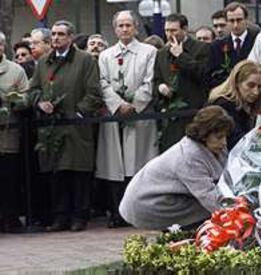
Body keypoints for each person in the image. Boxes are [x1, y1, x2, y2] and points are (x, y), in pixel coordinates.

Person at [30, 20, 103, 232]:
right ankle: (60, 217)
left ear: (70, 37)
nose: (55, 38)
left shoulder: (85, 60)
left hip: (76, 127)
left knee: (78, 172)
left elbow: (94, 92)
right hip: (52, 128)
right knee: (57, 173)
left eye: (60, 34)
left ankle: (80, 216)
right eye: (53, 34)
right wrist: (40, 102)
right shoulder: (44, 62)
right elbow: (33, 89)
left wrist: (79, 112)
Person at [119, 105, 234, 230]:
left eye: (225, 136)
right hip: (147, 203)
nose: (224, 142)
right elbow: (210, 198)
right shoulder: (190, 155)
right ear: (204, 135)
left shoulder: (216, 147)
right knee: (208, 209)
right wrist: (241, 214)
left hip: (168, 196)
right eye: (219, 137)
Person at [95, 10, 158, 228]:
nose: (124, 29)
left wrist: (135, 104)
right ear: (115, 29)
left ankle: (139, 213)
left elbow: (150, 81)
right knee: (116, 167)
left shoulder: (149, 52)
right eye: (120, 26)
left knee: (138, 164)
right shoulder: (106, 55)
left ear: (136, 27)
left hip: (139, 116)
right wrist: (117, 104)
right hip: (115, 115)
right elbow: (102, 83)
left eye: (128, 25)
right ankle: (117, 212)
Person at [154, 13, 210, 151]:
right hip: (171, 114)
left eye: (173, 30)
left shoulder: (202, 48)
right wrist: (160, 87)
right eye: (167, 30)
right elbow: (157, 78)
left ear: (184, 29)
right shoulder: (161, 53)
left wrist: (181, 56)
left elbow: (202, 74)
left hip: (193, 112)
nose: (169, 34)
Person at [0, 31, 29, 233]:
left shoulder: (16, 70)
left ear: (3, 47)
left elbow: (27, 98)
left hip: (8, 135)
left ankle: (10, 218)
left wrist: (12, 100)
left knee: (9, 180)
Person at [209, 60, 261, 150]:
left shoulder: (246, 104)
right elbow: (237, 141)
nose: (256, 92)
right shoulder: (223, 105)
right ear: (237, 83)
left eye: (259, 86)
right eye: (251, 85)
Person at [207, 2, 260, 89]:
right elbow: (213, 75)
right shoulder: (217, 46)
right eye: (231, 21)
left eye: (239, 20)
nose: (235, 25)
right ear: (227, 21)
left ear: (246, 20)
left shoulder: (257, 40)